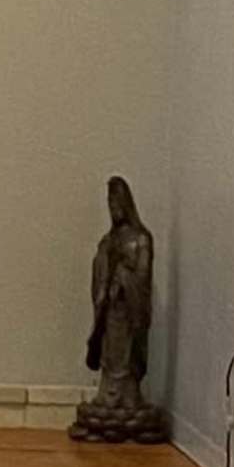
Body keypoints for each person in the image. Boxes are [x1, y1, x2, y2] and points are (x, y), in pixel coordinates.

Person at [76, 173, 169, 444]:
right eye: (109, 201)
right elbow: (98, 274)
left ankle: (128, 397)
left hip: (130, 312)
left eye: (116, 200)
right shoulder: (108, 240)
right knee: (110, 353)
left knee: (126, 355)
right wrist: (104, 282)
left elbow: (142, 276)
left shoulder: (141, 239)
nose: (112, 206)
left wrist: (123, 278)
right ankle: (108, 396)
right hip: (110, 312)